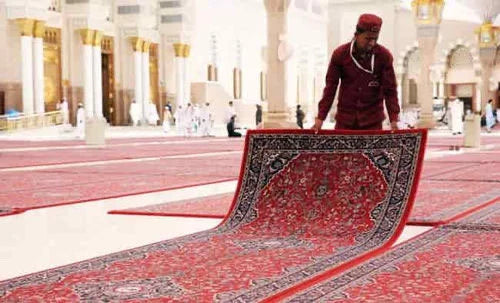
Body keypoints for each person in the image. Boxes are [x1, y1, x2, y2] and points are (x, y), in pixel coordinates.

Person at [312, 14, 400, 132]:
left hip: (372, 122)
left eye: (375, 38)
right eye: (368, 38)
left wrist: (394, 120)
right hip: (345, 121)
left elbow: (390, 91)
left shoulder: (384, 56)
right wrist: (320, 119)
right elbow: (330, 88)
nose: (372, 43)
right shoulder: (340, 54)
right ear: (357, 34)